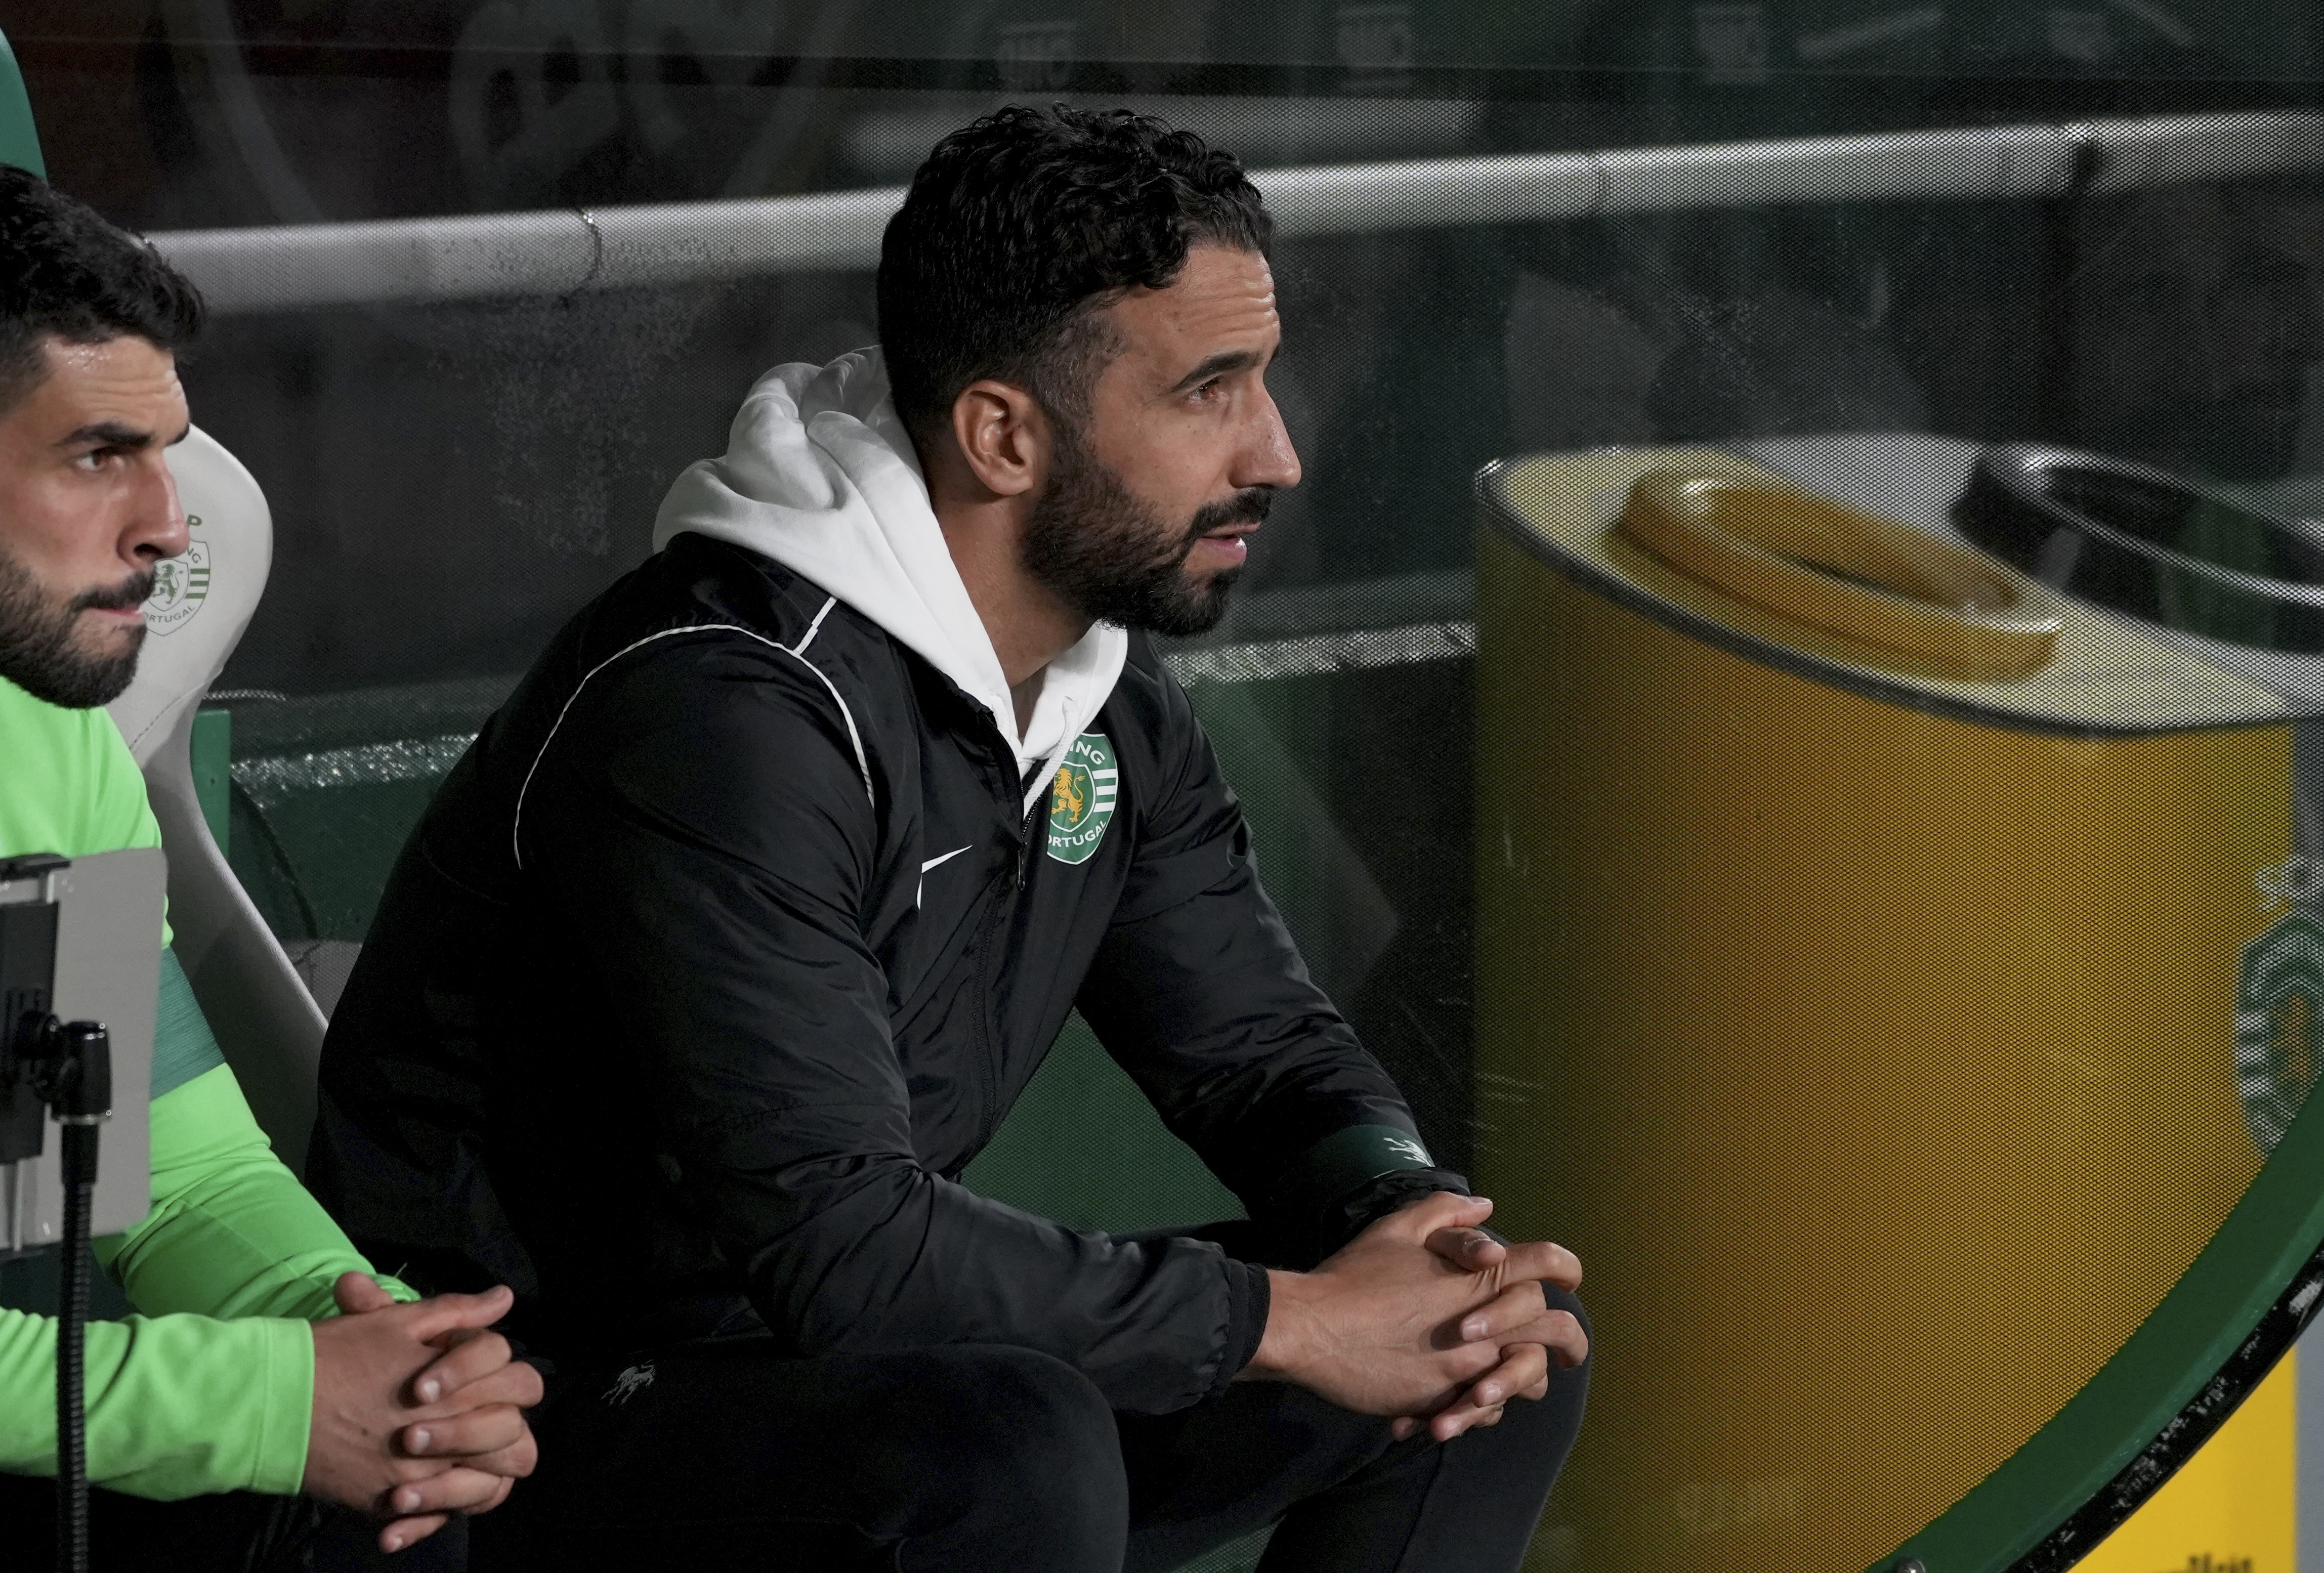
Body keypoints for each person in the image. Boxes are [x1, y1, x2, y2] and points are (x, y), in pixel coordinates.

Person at [310, 106, 1589, 1572]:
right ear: (1002, 433)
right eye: (1210, 390)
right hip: (521, 1420)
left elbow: (1261, 1057)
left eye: (1266, 381)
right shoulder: (725, 708)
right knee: (1006, 1448)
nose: (1279, 453)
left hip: (831, 1365)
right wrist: (1302, 1324)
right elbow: (847, 1246)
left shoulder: (1102, 694)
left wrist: (1415, 1228)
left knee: (1499, 1351)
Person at [0, 164, 541, 1568]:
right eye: (94, 455)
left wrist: (361, 1342)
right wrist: (273, 1405)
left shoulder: (55, 751)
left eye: (167, 453)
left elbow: (171, 1178)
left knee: (385, 1511)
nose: (168, 525)